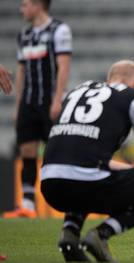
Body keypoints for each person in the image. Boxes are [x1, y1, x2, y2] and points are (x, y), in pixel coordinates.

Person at [40, 60, 134, 262]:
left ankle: (70, 232)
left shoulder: (77, 91)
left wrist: (128, 174)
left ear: (109, 80)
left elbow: (82, 154)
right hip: (85, 181)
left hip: (49, 184)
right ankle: (101, 234)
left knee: (89, 171)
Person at [3, 0, 72, 218]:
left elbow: (63, 66)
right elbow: (21, 71)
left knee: (58, 153)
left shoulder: (59, 30)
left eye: (25, 5)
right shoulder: (24, 35)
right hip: (28, 104)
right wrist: (18, 105)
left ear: (38, 5)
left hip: (49, 102)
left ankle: (69, 202)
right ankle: (28, 205)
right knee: (27, 152)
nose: (21, 9)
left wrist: (57, 100)